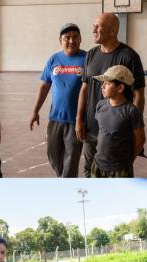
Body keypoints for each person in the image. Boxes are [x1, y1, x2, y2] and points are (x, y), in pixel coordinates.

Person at [75, 13, 146, 177]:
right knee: (89, 171)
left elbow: (138, 95)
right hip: (91, 128)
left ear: (113, 30)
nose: (93, 29)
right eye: (93, 25)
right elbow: (84, 88)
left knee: (117, 173)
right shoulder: (91, 54)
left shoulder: (129, 56)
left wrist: (134, 125)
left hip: (117, 132)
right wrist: (79, 119)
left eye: (98, 26)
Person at [30, 23, 86, 177]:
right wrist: (35, 111)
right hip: (55, 119)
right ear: (60, 40)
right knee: (53, 156)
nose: (71, 41)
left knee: (71, 160)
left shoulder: (87, 59)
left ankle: (66, 187)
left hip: (76, 120)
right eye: (67, 38)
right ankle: (64, 179)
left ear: (80, 39)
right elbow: (44, 87)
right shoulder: (54, 59)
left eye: (75, 37)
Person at [91, 65, 146, 177]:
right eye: (103, 83)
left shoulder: (131, 111)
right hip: (97, 164)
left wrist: (129, 162)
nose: (102, 87)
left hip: (120, 169)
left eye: (107, 84)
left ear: (120, 88)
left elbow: (140, 140)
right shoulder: (100, 105)